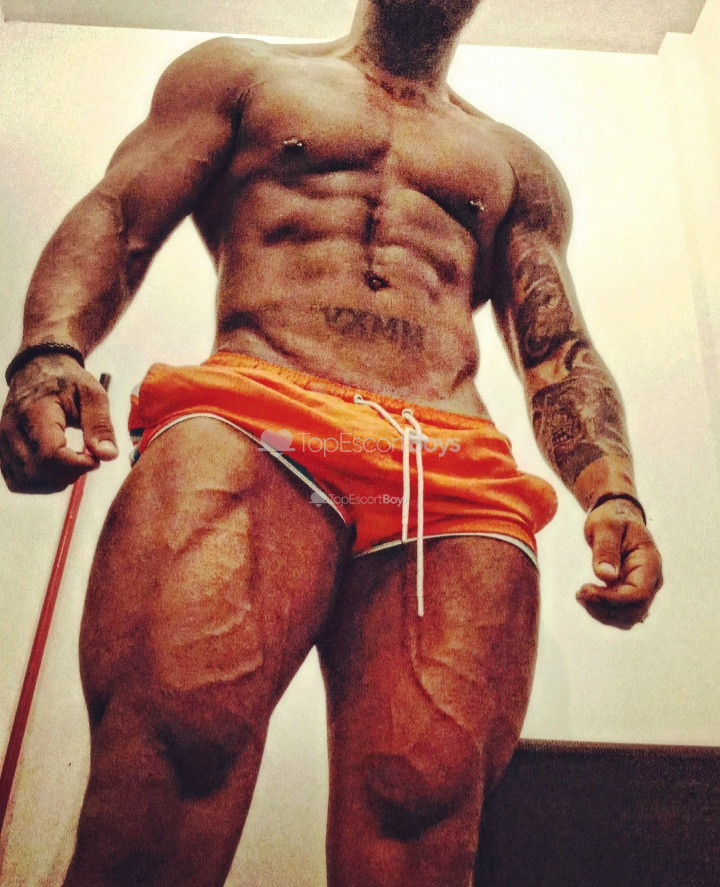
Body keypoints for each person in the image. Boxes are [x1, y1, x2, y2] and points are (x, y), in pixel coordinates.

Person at [0, 1, 663, 884]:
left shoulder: (514, 163)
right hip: (258, 413)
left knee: (421, 810)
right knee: (176, 747)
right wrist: (48, 353)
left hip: (450, 466)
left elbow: (556, 348)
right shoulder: (245, 76)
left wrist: (612, 492)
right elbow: (121, 215)